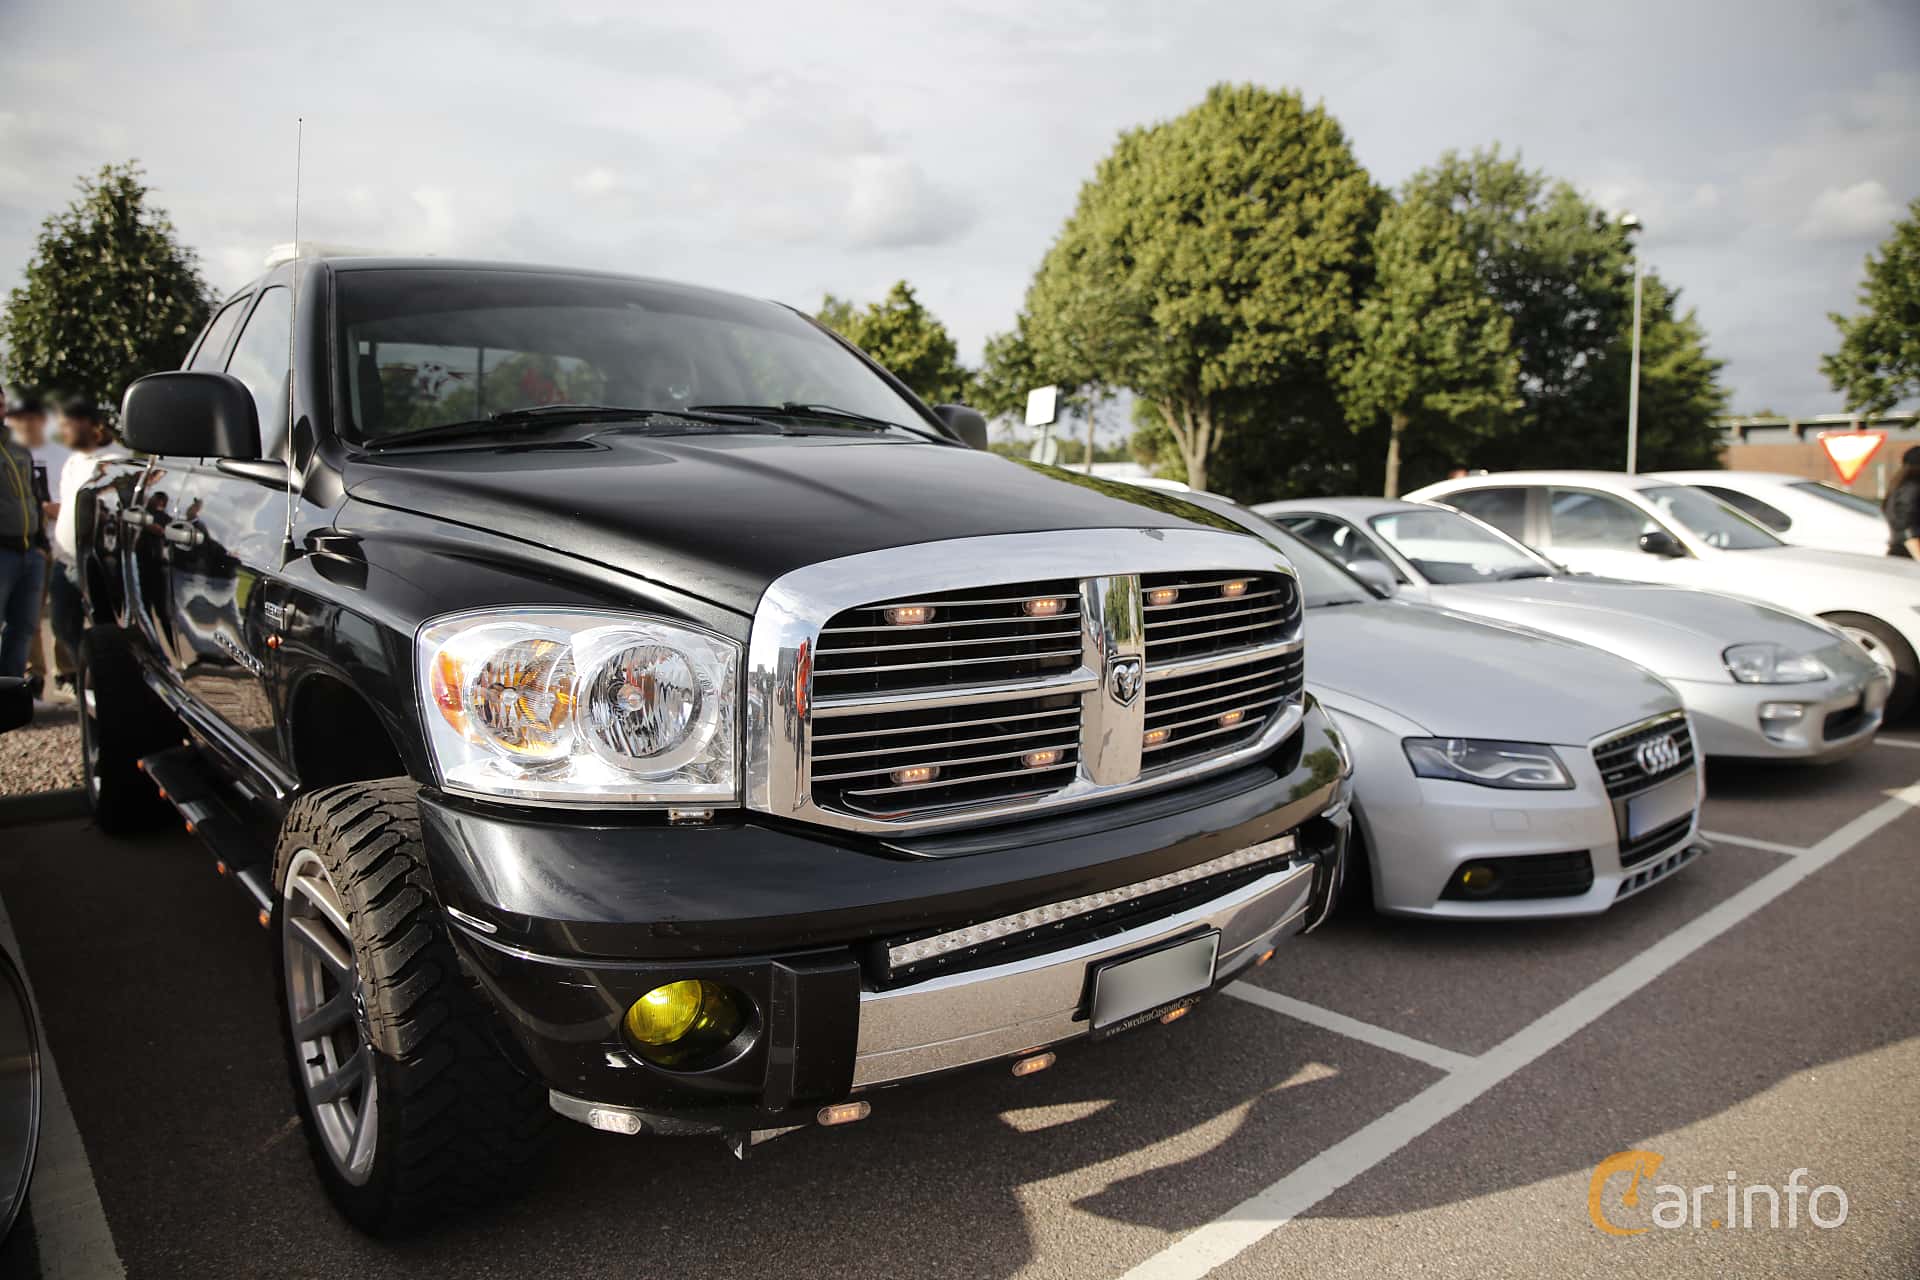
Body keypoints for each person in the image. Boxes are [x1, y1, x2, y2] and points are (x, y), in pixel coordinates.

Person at [49, 398, 128, 676]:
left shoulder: (119, 461)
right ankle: (90, 673)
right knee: (61, 625)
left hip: (98, 565)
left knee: (105, 627)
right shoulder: (72, 462)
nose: (63, 431)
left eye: (67, 425)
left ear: (91, 425)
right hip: (64, 561)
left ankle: (109, 678)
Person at [0, 389, 48, 682]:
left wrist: (41, 544)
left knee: (24, 628)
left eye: (2, 404)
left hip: (29, 553)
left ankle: (10, 695)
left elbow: (34, 494)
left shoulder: (19, 446)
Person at [1885, 444, 1920, 560]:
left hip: (1902, 554)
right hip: (1909, 556)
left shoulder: (1900, 488)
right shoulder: (1912, 490)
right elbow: (1908, 529)